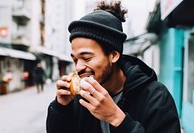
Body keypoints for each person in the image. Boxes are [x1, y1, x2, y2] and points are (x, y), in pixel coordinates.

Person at [46, 1, 181, 133]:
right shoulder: (81, 98)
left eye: (87, 58)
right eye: (75, 60)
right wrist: (61, 108)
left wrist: (116, 118)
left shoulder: (156, 97)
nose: (79, 67)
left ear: (114, 55)